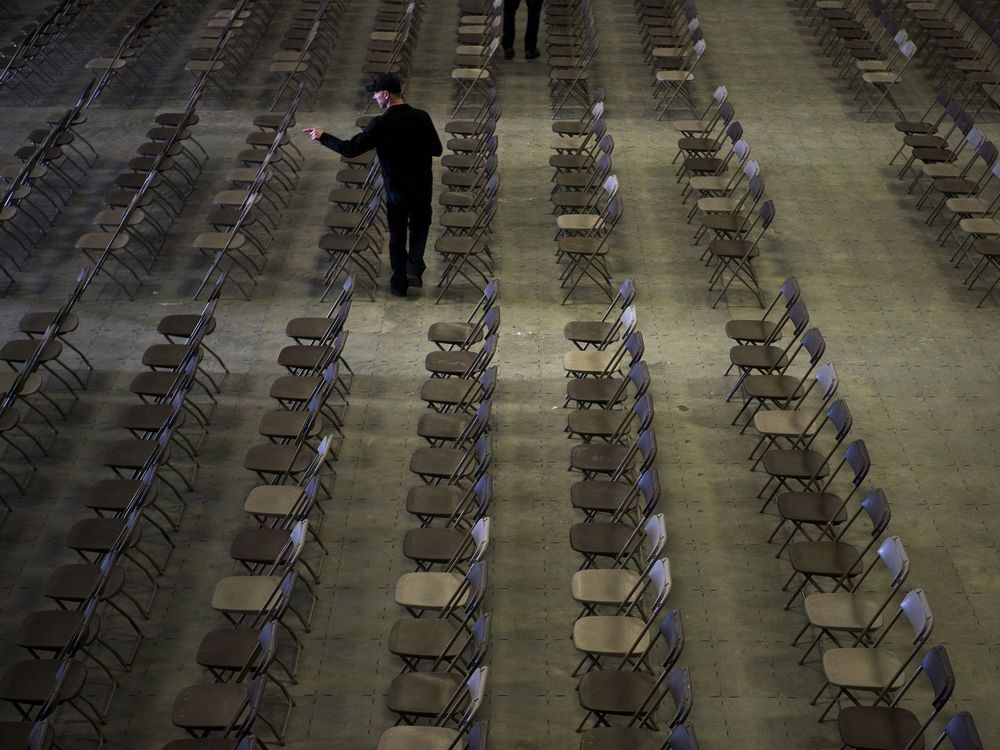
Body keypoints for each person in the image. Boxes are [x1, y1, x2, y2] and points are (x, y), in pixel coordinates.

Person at [304, 73, 442, 297]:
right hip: (422, 186)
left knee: (397, 236)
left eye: (376, 94)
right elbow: (437, 150)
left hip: (397, 189)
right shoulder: (422, 117)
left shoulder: (380, 124)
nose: (375, 98)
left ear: (386, 95)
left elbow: (350, 149)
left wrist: (322, 136)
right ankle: (414, 266)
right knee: (420, 228)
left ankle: (399, 284)